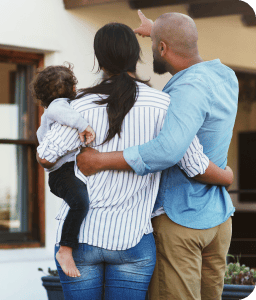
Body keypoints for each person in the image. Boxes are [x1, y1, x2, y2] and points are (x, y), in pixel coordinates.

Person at [37, 22, 232, 300]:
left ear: (99, 60)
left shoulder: (77, 106)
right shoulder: (163, 105)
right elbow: (193, 165)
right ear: (137, 56)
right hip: (133, 241)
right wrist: (227, 175)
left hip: (80, 237)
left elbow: (46, 156)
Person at [33, 64, 95, 278]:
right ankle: (65, 249)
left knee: (80, 202)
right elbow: (60, 112)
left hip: (62, 172)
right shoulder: (59, 106)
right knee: (80, 202)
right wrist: (83, 126)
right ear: (71, 87)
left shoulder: (53, 109)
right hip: (61, 173)